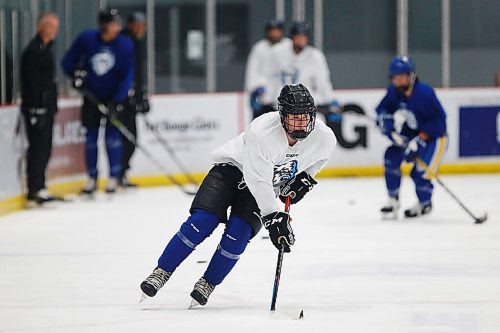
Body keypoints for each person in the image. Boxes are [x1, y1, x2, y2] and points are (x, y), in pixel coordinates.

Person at [140, 83, 336, 307]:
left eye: (304, 117)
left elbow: (322, 156)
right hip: (231, 171)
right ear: (282, 116)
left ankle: (208, 282)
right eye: (293, 117)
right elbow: (257, 179)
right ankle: (162, 271)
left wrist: (307, 178)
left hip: (263, 186)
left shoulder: (323, 137)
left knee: (239, 234)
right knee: (203, 221)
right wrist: (274, 216)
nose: (300, 123)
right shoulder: (263, 132)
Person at [61, 9, 135, 195]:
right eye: (113, 23)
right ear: (103, 24)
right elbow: (67, 62)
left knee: (112, 138)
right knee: (91, 139)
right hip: (91, 97)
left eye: (117, 22)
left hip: (112, 99)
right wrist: (76, 75)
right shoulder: (87, 39)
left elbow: (127, 75)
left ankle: (113, 178)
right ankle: (92, 179)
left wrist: (118, 100)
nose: (116, 27)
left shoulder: (125, 45)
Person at [376, 56, 447, 219]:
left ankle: (425, 203)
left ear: (411, 75)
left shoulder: (424, 93)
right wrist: (385, 120)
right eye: (395, 77)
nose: (399, 80)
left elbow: (439, 122)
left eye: (402, 76)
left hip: (435, 139)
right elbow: (383, 107)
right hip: (412, 134)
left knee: (419, 173)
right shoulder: (394, 92)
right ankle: (393, 200)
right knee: (391, 156)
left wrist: (421, 139)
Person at [265, 21, 341, 123]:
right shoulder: (277, 53)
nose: (301, 39)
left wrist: (330, 100)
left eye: (304, 36)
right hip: (280, 107)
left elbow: (322, 81)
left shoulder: (315, 56)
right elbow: (270, 77)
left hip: (305, 107)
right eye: (299, 36)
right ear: (292, 36)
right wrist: (265, 97)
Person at [20, 12, 60, 206]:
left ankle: (40, 185)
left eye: (55, 27)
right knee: (37, 148)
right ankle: (34, 188)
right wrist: (35, 108)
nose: (54, 32)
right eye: (51, 27)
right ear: (40, 27)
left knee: (45, 148)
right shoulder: (33, 51)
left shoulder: (46, 49)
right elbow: (31, 83)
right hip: (37, 108)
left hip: (47, 108)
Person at [119, 11, 149, 188]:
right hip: (120, 99)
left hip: (130, 98)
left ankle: (122, 172)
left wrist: (141, 95)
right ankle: (118, 173)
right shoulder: (124, 43)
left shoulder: (137, 43)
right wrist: (129, 93)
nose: (143, 29)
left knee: (131, 138)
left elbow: (139, 74)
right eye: (140, 25)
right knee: (125, 138)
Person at [244, 18, 290, 119]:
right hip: (264, 98)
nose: (274, 33)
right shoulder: (259, 48)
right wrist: (255, 88)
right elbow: (252, 71)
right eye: (272, 30)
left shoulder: (289, 46)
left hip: (285, 100)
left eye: (277, 30)